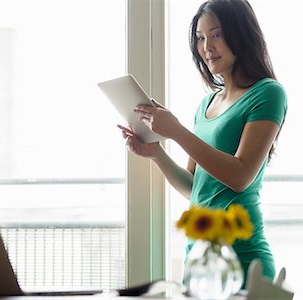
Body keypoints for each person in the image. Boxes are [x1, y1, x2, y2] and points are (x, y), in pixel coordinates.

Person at [118, 0, 287, 284]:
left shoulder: (268, 93)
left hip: (243, 259)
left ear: (240, 33)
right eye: (200, 38)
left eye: (216, 34)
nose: (207, 46)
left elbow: (241, 176)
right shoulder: (206, 104)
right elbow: (193, 187)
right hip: (198, 260)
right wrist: (156, 153)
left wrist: (177, 131)